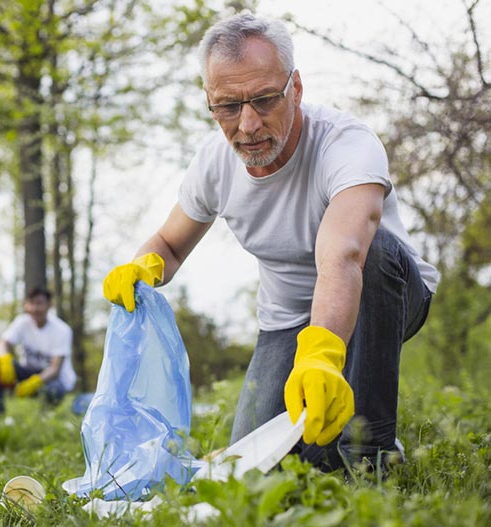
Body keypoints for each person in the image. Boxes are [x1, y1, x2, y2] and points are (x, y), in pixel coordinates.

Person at [103, 13, 439, 472]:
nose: (247, 124)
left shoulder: (346, 145)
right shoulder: (214, 165)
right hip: (286, 322)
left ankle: (372, 454)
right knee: (254, 464)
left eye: (264, 99)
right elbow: (170, 243)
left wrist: (321, 355)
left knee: (377, 251)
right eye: (227, 106)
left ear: (295, 88)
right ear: (209, 100)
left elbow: (347, 254)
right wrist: (143, 267)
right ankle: (326, 450)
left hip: (383, 295)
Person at [0, 287, 77, 415]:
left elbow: (55, 369)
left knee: (55, 389)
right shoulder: (21, 322)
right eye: (31, 303)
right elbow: (1, 343)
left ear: (49, 305)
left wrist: (35, 382)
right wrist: (5, 359)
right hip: (28, 370)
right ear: (26, 305)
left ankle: (45, 416)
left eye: (39, 303)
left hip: (52, 377)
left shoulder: (62, 330)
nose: (34, 308)